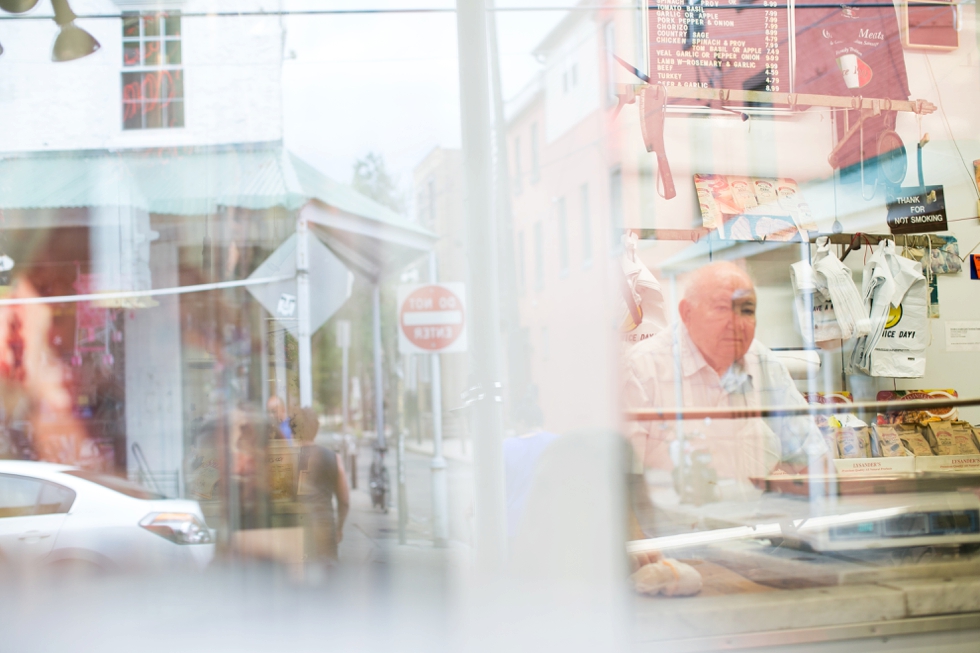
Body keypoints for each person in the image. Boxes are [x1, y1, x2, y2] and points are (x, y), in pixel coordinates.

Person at [624, 262, 825, 495]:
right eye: (721, 309)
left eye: (747, 310)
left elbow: (814, 463)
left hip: (753, 526)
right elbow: (625, 490)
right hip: (673, 530)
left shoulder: (763, 364)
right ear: (687, 314)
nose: (736, 323)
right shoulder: (641, 370)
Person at [289, 407, 350, 562]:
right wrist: (339, 528)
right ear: (316, 429)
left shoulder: (286, 460)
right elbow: (344, 501)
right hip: (324, 529)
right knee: (327, 577)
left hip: (295, 530)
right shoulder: (334, 458)